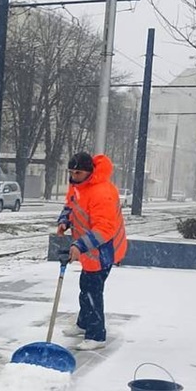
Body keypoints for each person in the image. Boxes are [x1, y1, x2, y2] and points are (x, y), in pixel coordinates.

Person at [56, 150, 127, 350]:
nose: (73, 177)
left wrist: (79, 245)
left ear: (89, 172)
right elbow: (70, 206)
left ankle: (96, 335)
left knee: (93, 291)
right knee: (85, 286)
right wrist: (64, 222)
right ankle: (84, 323)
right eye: (71, 172)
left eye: (77, 173)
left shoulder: (102, 192)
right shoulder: (78, 186)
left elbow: (105, 229)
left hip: (105, 249)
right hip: (89, 248)